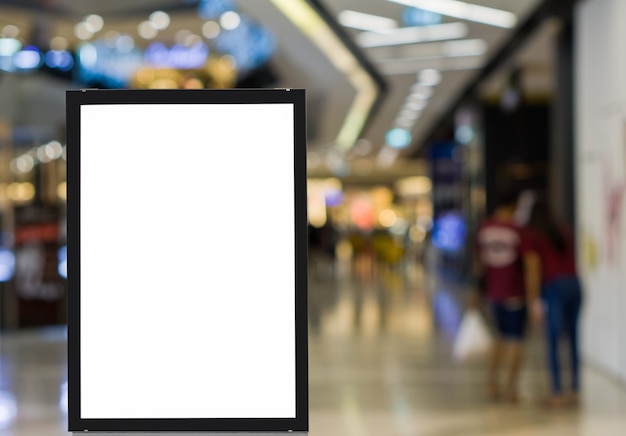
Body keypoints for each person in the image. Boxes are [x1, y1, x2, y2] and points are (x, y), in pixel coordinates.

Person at [523, 197, 582, 408]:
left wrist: (533, 300)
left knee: (553, 341)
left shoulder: (534, 235)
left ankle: (557, 392)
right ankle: (575, 390)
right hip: (574, 285)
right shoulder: (565, 229)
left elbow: (533, 268)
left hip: (554, 287)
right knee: (573, 339)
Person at [474, 190, 528, 403]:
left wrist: (477, 290)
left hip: (493, 292)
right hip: (515, 292)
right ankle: (511, 388)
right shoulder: (516, 230)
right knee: (515, 340)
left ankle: (491, 383)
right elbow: (530, 262)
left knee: (498, 337)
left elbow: (478, 262)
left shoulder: (485, 228)